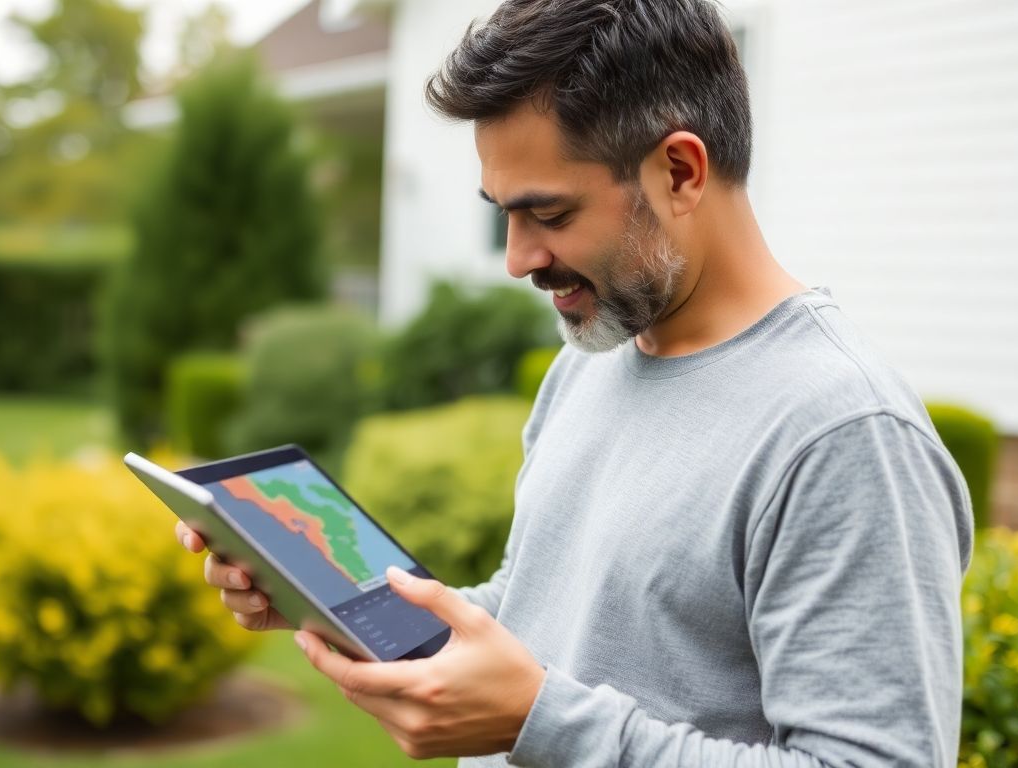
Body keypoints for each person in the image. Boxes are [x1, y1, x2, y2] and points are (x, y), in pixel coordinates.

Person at [175, 0, 973, 764]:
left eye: (548, 215)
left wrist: (537, 721)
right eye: (502, 214)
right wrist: (349, 609)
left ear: (681, 172)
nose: (518, 258)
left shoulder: (843, 434)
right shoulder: (589, 362)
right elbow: (541, 615)